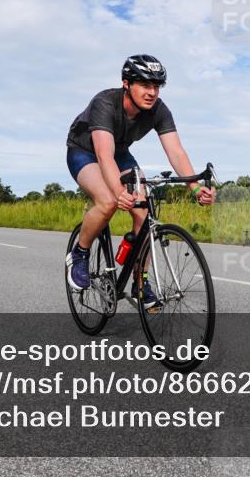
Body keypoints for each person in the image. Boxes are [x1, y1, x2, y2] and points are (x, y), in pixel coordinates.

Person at [65, 54, 216, 308]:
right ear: (127, 83)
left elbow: (176, 152)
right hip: (84, 151)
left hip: (120, 154)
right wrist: (117, 191)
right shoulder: (105, 103)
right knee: (108, 201)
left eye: (157, 86)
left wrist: (195, 187)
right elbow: (103, 154)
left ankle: (139, 281)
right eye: (145, 85)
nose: (152, 92)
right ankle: (79, 253)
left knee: (143, 211)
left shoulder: (159, 109)